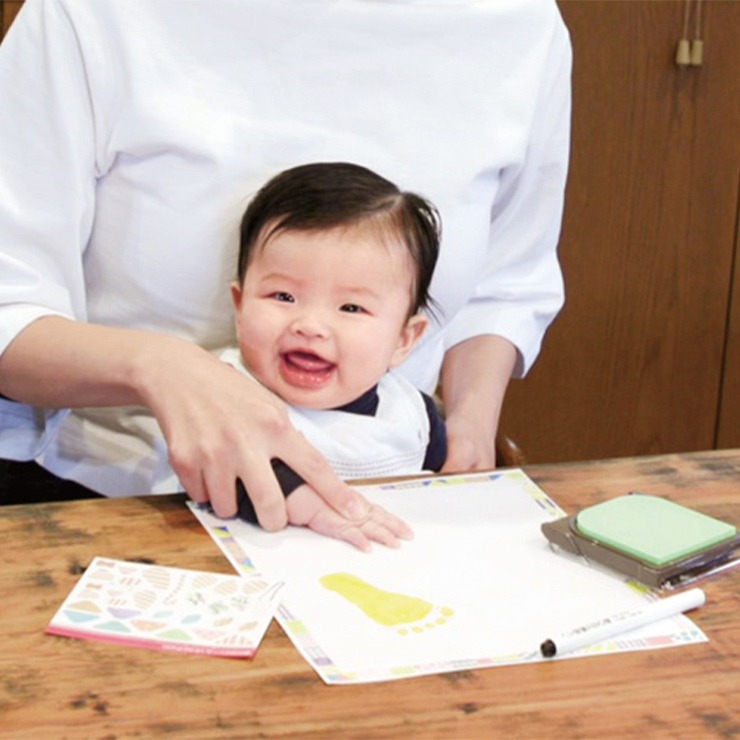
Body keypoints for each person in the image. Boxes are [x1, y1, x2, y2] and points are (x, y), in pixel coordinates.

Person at [0, 1, 570, 536]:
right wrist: (162, 369)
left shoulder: (518, 22)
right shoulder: (93, 15)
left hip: (398, 503)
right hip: (117, 498)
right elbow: (10, 304)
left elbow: (506, 279)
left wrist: (466, 433)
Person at [218, 161, 447, 550]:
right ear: (240, 307)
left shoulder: (414, 417)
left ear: (403, 340)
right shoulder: (222, 392)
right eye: (283, 297)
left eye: (351, 308)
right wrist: (309, 506)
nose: (310, 326)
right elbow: (227, 470)